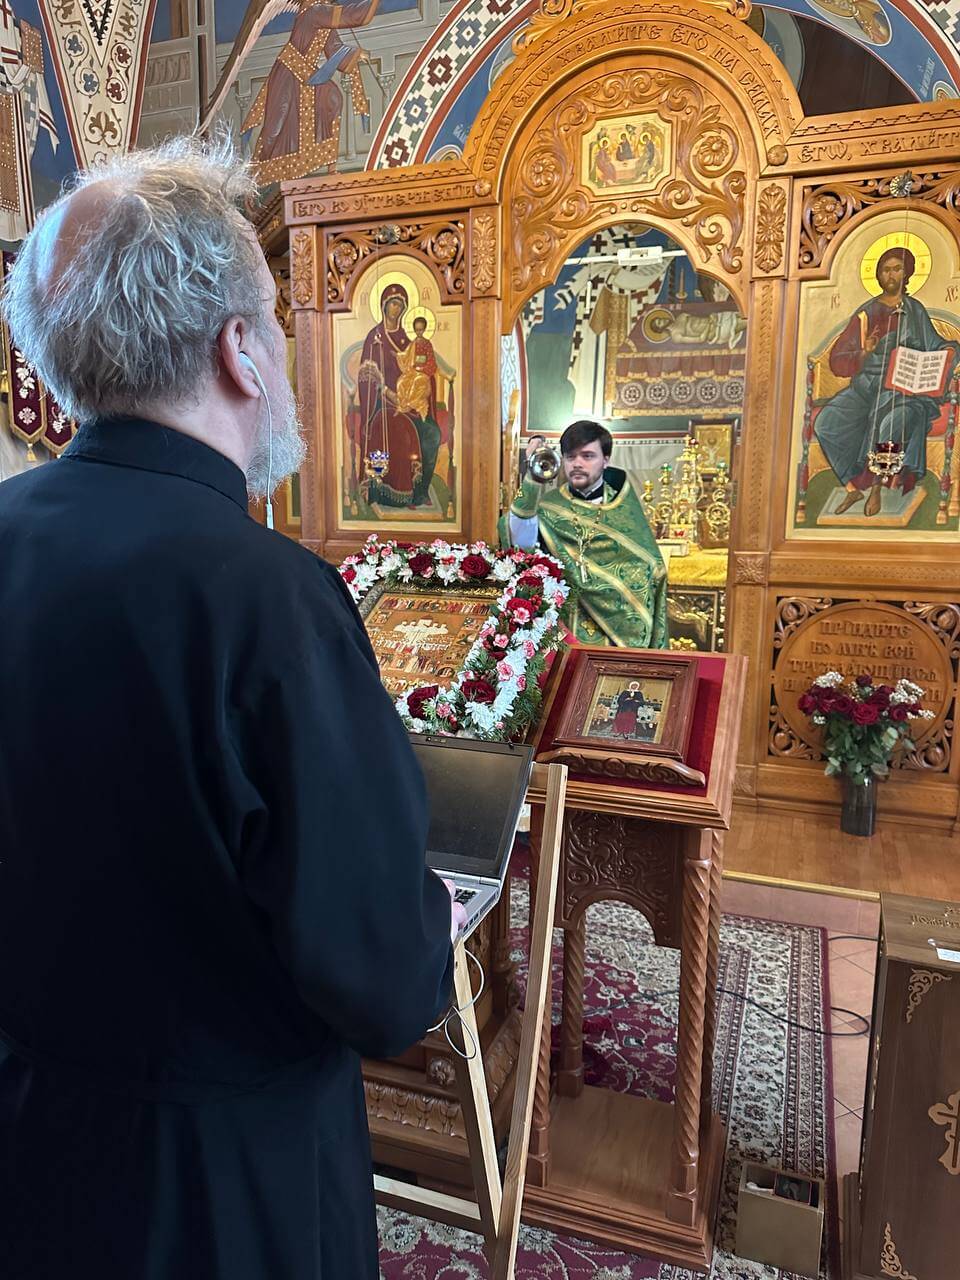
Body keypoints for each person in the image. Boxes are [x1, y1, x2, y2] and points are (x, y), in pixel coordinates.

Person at [0, 136, 463, 1280]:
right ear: (238, 349)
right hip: (218, 1182)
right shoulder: (266, 596)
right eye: (278, 321)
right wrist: (434, 919)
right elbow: (384, 983)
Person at [814, 246, 958, 517]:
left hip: (905, 392)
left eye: (897, 269)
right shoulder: (866, 314)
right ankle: (852, 487)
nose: (891, 275)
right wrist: (864, 353)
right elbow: (837, 360)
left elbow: (935, 345)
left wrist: (949, 351)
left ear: (907, 273)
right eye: (886, 269)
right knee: (825, 423)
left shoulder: (915, 310)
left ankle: (878, 487)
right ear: (878, 275)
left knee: (891, 421)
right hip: (866, 389)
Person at [500, 419, 668, 648]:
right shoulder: (548, 507)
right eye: (570, 457)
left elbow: (651, 565)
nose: (577, 463)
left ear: (606, 460)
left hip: (619, 638)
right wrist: (533, 476)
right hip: (567, 628)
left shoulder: (624, 508)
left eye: (587, 456)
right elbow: (519, 536)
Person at [356, 283, 441, 508]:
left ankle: (420, 491)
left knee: (432, 433)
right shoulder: (374, 338)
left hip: (409, 403)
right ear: (384, 305)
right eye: (393, 303)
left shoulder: (407, 340)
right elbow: (366, 378)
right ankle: (387, 491)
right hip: (382, 405)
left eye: (400, 305)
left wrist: (421, 384)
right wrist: (385, 391)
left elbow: (421, 370)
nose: (396, 309)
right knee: (400, 433)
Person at [396, 314, 439, 423]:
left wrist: (421, 368)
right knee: (401, 381)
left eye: (421, 330)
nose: (418, 332)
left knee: (416, 382)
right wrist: (398, 355)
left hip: (423, 372)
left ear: (424, 329)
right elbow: (406, 355)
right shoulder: (413, 344)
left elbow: (431, 362)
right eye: (417, 330)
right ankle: (403, 405)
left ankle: (412, 406)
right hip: (413, 370)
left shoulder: (427, 344)